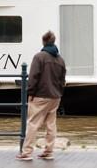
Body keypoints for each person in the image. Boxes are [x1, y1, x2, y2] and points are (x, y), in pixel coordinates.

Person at [16, 31, 66, 161]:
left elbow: (33, 77)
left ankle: (26, 152)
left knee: (33, 123)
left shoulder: (39, 57)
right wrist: (59, 93)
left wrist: (30, 93)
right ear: (53, 42)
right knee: (51, 124)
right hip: (55, 97)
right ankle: (48, 151)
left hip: (40, 96)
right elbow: (62, 80)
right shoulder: (60, 60)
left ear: (43, 42)